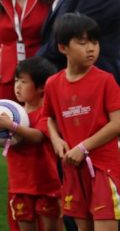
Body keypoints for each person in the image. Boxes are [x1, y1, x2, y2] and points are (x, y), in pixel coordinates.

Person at [43, 13, 120, 230]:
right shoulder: (52, 84)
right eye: (82, 42)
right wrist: (57, 140)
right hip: (73, 170)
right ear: (62, 47)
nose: (91, 49)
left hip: (104, 169)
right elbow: (49, 118)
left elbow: (117, 123)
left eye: (95, 42)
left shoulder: (105, 80)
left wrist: (83, 147)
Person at [0, 56, 62, 231]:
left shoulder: (46, 112)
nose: (17, 86)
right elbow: (6, 143)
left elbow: (37, 137)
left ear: (42, 87)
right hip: (19, 185)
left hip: (46, 185)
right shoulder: (12, 112)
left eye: (23, 81)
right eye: (16, 81)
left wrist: (11, 125)